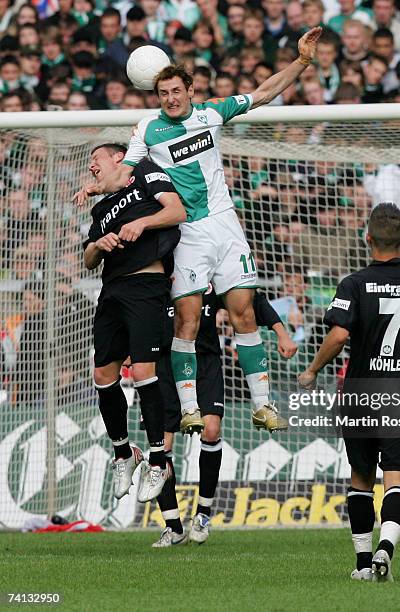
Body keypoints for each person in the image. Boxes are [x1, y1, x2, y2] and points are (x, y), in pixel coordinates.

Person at [78, 26, 322, 436]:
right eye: (163, 94)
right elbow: (124, 171)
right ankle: (189, 408)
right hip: (186, 231)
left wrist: (301, 61)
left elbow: (261, 94)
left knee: (243, 309)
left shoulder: (211, 113)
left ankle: (262, 405)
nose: (170, 99)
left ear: (190, 90)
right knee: (187, 320)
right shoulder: (147, 130)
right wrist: (96, 185)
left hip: (225, 224)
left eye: (176, 91)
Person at [298, 203, 400, 581]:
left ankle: (361, 563)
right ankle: (385, 550)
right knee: (397, 479)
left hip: (361, 393)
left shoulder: (354, 284)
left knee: (360, 477)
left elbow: (338, 335)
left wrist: (312, 370)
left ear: (367, 237)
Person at [151, 287, 298, 547]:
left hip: (205, 361)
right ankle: (172, 527)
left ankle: (203, 515)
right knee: (162, 445)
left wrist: (282, 333)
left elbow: (252, 300)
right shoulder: (162, 273)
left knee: (211, 430)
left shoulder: (209, 275)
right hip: (164, 364)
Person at [82, 143, 186, 504]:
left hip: (146, 285)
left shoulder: (144, 172)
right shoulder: (102, 207)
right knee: (103, 376)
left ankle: (158, 459)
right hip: (112, 290)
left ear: (116, 158)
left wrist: (141, 222)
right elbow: (88, 259)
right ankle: (124, 453)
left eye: (96, 159)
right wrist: (100, 242)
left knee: (143, 371)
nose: (92, 167)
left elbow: (176, 211)